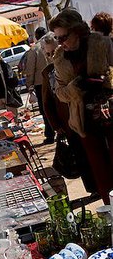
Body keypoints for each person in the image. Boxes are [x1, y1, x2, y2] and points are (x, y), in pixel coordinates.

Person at [49, 8, 113, 204]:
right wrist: (75, 87)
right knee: (101, 174)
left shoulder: (101, 44)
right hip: (84, 122)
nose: (61, 43)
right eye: (57, 38)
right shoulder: (60, 58)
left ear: (77, 30)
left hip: (110, 114)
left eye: (64, 37)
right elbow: (59, 93)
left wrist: (106, 79)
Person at [40, 33, 96, 193]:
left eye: (53, 52)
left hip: (85, 117)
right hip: (67, 123)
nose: (51, 56)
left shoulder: (72, 63)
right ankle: (92, 187)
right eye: (48, 53)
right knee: (80, 156)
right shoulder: (47, 73)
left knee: (93, 153)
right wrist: (56, 126)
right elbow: (47, 104)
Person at [25, 26, 55, 144]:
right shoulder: (54, 42)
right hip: (55, 79)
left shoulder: (34, 50)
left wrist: (29, 84)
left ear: (36, 36)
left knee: (46, 109)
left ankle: (50, 134)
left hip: (40, 83)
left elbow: (30, 69)